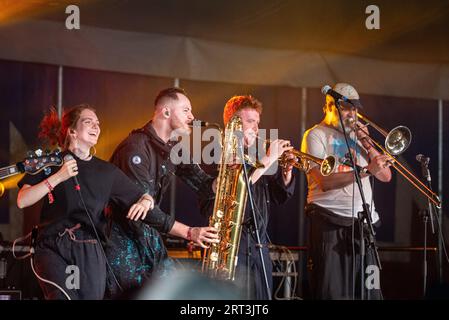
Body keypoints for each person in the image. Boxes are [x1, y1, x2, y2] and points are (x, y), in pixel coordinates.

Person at [16, 105, 154, 300]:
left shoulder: (106, 171)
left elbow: (143, 196)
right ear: (72, 131)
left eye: (98, 123)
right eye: (88, 122)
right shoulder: (51, 162)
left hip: (89, 249)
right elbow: (23, 200)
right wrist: (58, 178)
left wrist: (146, 202)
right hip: (53, 244)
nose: (96, 127)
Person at [105, 87, 219, 297]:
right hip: (122, 243)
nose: (192, 117)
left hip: (149, 238)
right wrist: (189, 232)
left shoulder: (174, 148)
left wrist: (232, 173)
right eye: (186, 110)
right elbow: (143, 210)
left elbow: (204, 184)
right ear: (166, 112)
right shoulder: (135, 148)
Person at [301, 83, 392, 300]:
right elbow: (324, 181)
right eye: (346, 108)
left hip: (363, 226)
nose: (352, 114)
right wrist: (366, 171)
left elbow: (385, 176)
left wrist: (367, 144)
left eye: (354, 109)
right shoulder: (315, 135)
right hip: (330, 223)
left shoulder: (358, 137)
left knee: (369, 291)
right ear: (329, 107)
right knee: (333, 292)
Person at [202, 95, 296, 300]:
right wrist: (269, 159)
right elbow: (238, 188)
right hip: (233, 240)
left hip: (259, 243)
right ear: (234, 123)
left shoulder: (257, 154)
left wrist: (286, 172)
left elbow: (278, 197)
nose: (256, 128)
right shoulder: (217, 152)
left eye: (257, 122)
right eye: (250, 122)